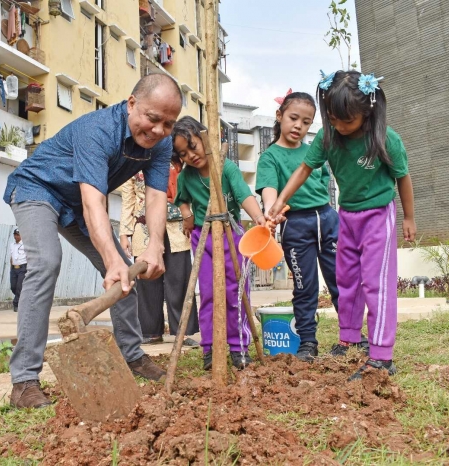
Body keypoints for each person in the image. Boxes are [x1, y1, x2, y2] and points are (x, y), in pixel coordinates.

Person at [3, 73, 183, 409]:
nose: (158, 130)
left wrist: (155, 244)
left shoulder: (160, 144)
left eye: (168, 124)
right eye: (152, 118)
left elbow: (157, 197)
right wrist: (112, 259)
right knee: (46, 262)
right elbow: (93, 202)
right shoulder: (97, 130)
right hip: (38, 189)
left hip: (74, 204)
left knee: (125, 273)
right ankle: (24, 381)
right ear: (132, 104)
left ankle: (132, 356)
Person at [267, 70, 416, 381]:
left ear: (367, 111)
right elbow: (305, 169)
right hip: (346, 215)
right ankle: (349, 338)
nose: (339, 126)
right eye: (333, 119)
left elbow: (403, 177)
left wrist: (409, 218)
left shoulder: (386, 139)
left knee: (376, 284)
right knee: (346, 279)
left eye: (347, 121)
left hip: (378, 215)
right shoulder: (328, 136)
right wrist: (280, 202)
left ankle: (381, 356)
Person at [172, 116, 266, 371]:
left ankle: (238, 347)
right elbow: (181, 199)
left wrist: (258, 218)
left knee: (236, 292)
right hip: (202, 238)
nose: (191, 155)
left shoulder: (226, 168)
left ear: (205, 139)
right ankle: (210, 347)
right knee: (209, 293)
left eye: (193, 146)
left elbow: (244, 195)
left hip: (230, 233)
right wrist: (188, 216)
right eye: (183, 153)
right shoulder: (186, 176)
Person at [256, 91, 340, 362]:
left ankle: (352, 337)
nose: (299, 127)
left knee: (341, 281)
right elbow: (270, 191)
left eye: (306, 122)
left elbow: (324, 182)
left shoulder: (314, 152)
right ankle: (307, 343)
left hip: (328, 220)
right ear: (279, 116)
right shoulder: (269, 157)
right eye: (293, 118)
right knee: (305, 288)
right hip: (296, 226)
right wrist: (272, 211)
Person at [119, 167, 200, 347]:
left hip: (177, 227)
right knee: (147, 280)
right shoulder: (131, 164)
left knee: (180, 279)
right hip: (143, 226)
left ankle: (183, 332)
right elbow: (128, 200)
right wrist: (124, 233)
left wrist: (190, 216)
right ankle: (150, 332)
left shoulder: (177, 160)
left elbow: (188, 191)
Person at [10, 228, 27, 312]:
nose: (16, 236)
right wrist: (11, 267)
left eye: (18, 235)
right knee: (13, 287)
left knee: (19, 287)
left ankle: (16, 304)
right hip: (13, 268)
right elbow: (11, 256)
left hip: (22, 268)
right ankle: (21, 299)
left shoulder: (25, 245)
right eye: (15, 235)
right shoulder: (12, 245)